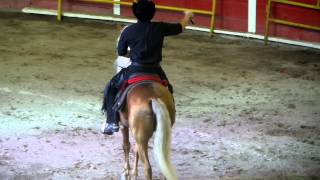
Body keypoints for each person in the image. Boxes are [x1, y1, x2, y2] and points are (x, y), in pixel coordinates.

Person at [101, 0, 194, 135]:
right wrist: (188, 15)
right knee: (169, 88)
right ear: (152, 13)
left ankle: (111, 122)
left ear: (136, 13)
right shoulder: (160, 28)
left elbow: (121, 52)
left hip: (135, 69)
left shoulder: (128, 31)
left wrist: (133, 52)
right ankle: (170, 114)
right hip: (155, 70)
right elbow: (181, 27)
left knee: (111, 87)